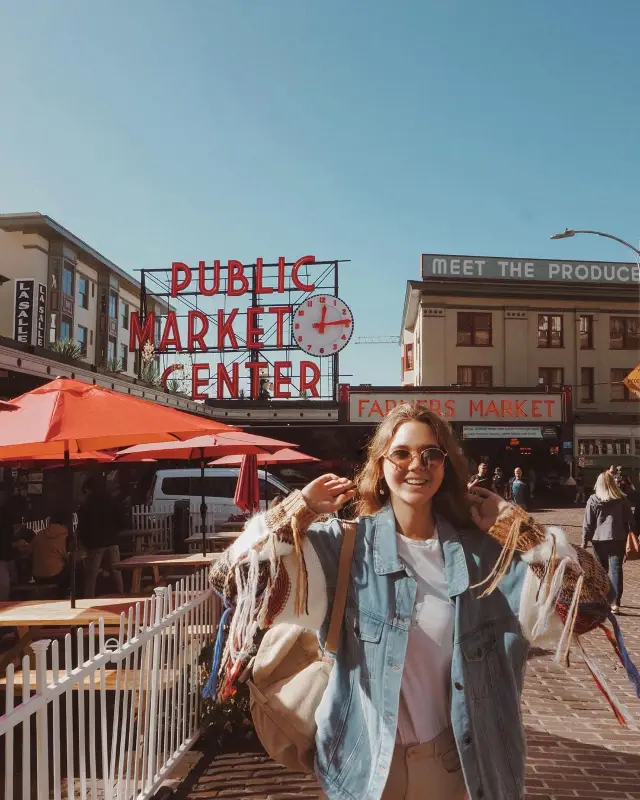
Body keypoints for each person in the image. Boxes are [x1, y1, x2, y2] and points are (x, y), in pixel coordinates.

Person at [210, 403, 613, 800]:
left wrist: (518, 528)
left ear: (445, 466)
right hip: (365, 770)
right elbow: (231, 580)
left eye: (430, 454)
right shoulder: (344, 550)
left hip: (460, 771)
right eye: (401, 453)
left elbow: (590, 603)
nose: (416, 464)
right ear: (381, 465)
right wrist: (297, 510)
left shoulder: (486, 559)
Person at [582, 471, 635, 614]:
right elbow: (630, 519)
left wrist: (584, 541)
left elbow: (588, 523)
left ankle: (602, 600)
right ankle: (615, 603)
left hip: (599, 539)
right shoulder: (621, 499)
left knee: (601, 571)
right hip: (618, 537)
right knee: (616, 569)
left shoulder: (593, 499)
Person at [78, 477, 126, 597]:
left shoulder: (87, 504)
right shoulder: (111, 500)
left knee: (91, 574)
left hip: (95, 543)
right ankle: (121, 594)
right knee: (116, 570)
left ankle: (89, 598)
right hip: (112, 540)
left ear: (88, 489)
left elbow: (82, 525)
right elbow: (123, 520)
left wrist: (85, 541)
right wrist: (115, 531)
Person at [32, 513, 69, 597]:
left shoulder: (39, 534)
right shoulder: (64, 536)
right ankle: (68, 596)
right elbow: (70, 557)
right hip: (54, 576)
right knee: (76, 566)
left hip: (37, 576)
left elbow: (29, 551)